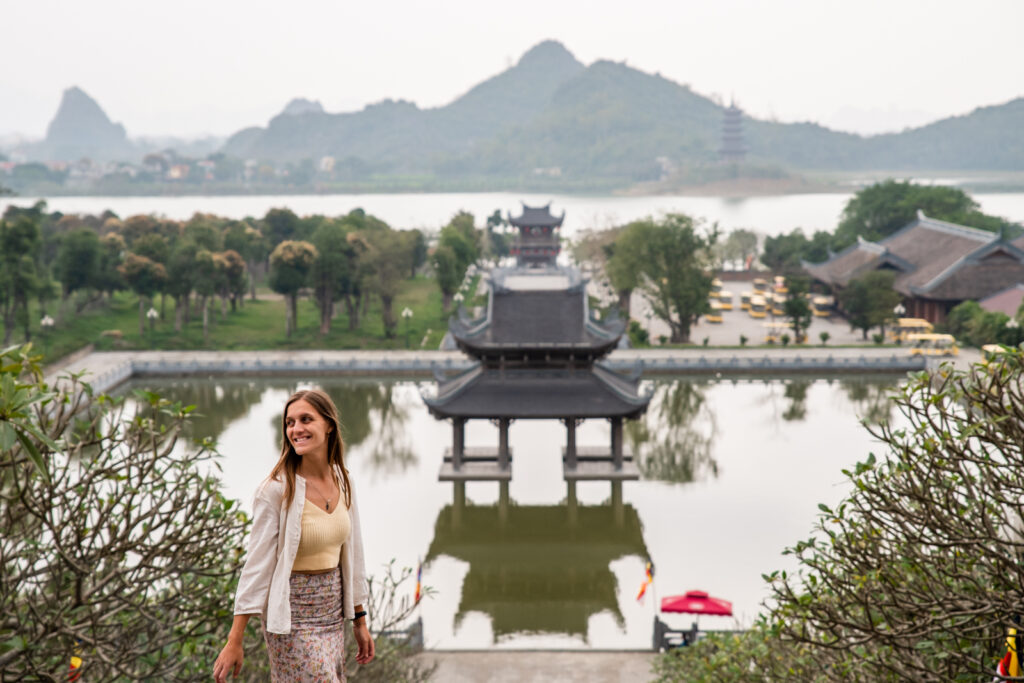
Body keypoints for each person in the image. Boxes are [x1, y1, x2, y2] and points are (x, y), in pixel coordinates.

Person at [213, 388, 374, 682]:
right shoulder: (275, 491)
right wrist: (234, 640)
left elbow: (354, 554)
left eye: (305, 419)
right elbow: (257, 566)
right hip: (291, 619)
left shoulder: (343, 479)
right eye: (289, 422)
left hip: (332, 615)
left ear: (329, 425)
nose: (296, 429)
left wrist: (359, 619)